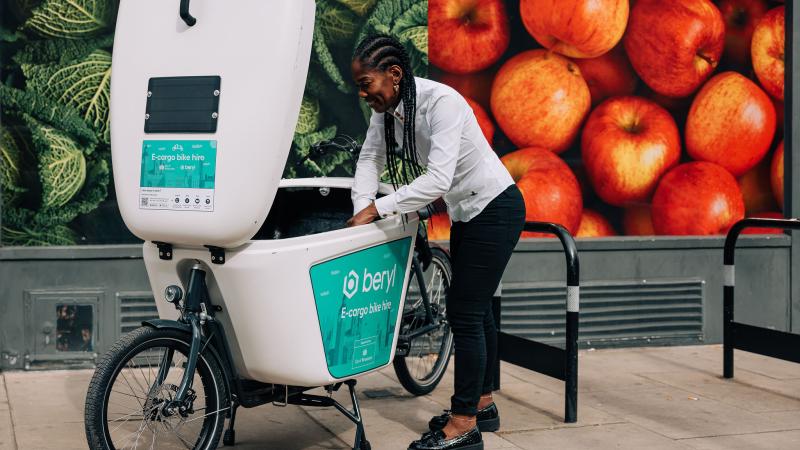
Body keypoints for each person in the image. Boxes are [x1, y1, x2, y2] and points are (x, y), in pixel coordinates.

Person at [346, 34, 526, 450]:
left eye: (365, 83)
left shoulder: (440, 103)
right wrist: (361, 205)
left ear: (394, 75)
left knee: (464, 315)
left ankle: (463, 424)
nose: (362, 93)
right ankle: (482, 406)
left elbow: (439, 180)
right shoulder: (388, 110)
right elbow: (370, 158)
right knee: (476, 314)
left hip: (495, 208)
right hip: (468, 211)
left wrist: (378, 208)